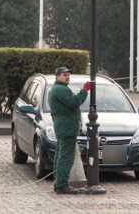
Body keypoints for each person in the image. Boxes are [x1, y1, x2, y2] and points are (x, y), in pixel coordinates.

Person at [48, 66, 90, 195]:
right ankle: (61, 185)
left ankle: (58, 183)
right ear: (58, 76)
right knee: (65, 157)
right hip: (67, 127)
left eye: (68, 75)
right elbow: (74, 102)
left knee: (60, 155)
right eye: (64, 75)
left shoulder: (57, 89)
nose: (67, 77)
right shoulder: (60, 90)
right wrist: (85, 90)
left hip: (63, 126)